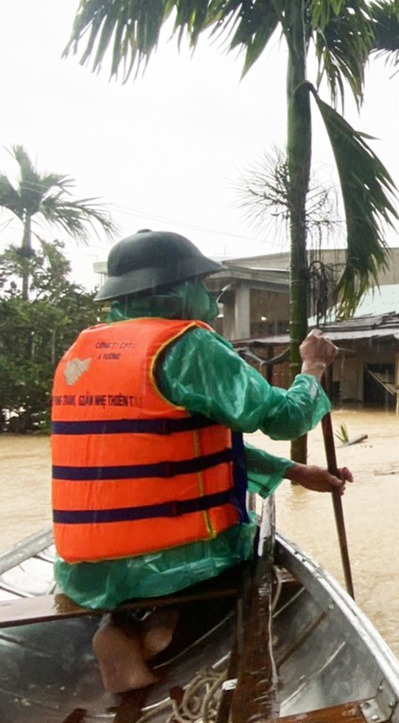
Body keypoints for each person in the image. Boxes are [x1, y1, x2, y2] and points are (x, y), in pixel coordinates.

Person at [50, 229, 352, 694]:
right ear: (176, 291)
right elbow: (286, 418)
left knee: (143, 572)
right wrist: (312, 368)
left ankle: (124, 622)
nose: (209, 298)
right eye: (203, 286)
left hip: (84, 570)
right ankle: (163, 628)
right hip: (177, 562)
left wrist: (293, 472)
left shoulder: (84, 351)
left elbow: (174, 452)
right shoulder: (190, 346)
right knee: (247, 556)